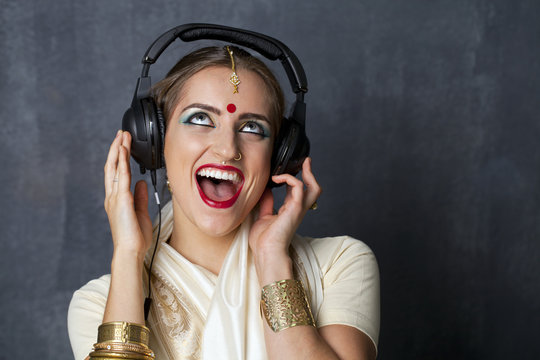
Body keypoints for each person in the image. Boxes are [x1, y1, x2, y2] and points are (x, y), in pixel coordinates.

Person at [68, 26, 379, 360]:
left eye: (252, 128)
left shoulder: (339, 264)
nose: (228, 149)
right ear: (155, 142)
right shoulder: (100, 302)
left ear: (279, 157)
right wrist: (128, 256)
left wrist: (272, 259)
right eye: (201, 118)